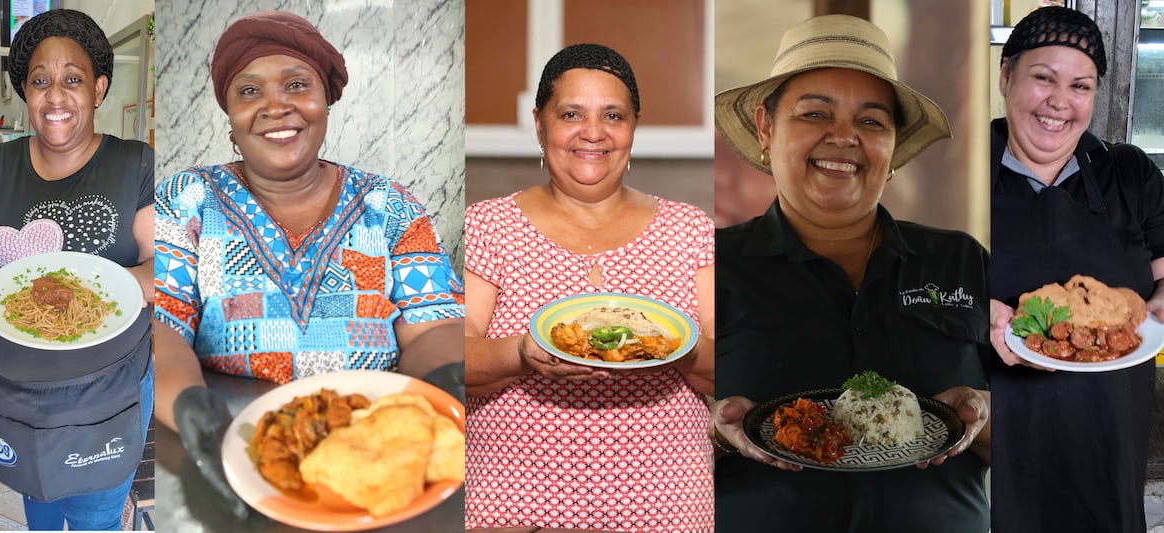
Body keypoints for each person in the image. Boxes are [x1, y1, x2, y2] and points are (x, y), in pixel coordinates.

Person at [152, 10, 465, 518]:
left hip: (373, 451)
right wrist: (190, 407)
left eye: (297, 85)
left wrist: (453, 372)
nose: (276, 106)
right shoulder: (187, 200)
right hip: (227, 450)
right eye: (249, 92)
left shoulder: (389, 206)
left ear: (325, 101)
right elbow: (160, 327)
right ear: (230, 115)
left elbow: (430, 325)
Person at [710, 15, 991, 532]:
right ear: (766, 127)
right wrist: (710, 430)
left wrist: (988, 414)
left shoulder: (962, 262)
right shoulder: (704, 265)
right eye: (815, 113)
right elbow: (632, 451)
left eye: (870, 121)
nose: (843, 138)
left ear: (892, 145)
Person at [463, 44, 715, 532]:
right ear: (540, 124)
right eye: (571, 113)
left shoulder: (692, 231)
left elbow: (731, 366)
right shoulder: (488, 226)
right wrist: (519, 352)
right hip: (513, 510)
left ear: (634, 127)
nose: (593, 133)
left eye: (613, 115)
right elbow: (458, 358)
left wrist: (671, 349)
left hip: (668, 511)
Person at [0, 9, 154, 531]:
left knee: (95, 514)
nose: (55, 96)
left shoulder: (136, 163)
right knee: (38, 504)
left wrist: (99, 287)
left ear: (99, 88)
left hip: (109, 384)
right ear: (25, 92)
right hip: (14, 382)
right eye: (40, 81)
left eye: (72, 79)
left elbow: (163, 265)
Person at [988, 7, 1163, 532]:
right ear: (1006, 77)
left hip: (1109, 437)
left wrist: (1156, 307)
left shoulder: (1128, 172)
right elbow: (909, 292)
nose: (1060, 102)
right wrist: (974, 314)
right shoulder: (954, 173)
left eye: (1080, 86)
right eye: (1043, 78)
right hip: (997, 440)